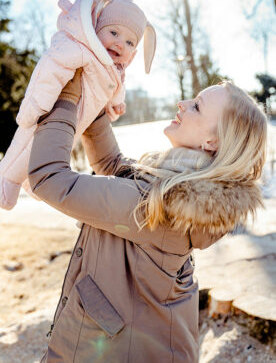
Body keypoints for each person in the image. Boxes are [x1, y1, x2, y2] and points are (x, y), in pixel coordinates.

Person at [28, 70, 267, 363]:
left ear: (212, 142)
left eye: (197, 106)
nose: (182, 103)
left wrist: (67, 98)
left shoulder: (162, 206)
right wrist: (95, 105)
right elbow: (114, 166)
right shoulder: (178, 187)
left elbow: (49, 178)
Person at [0, 0, 156, 210]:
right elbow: (49, 69)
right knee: (27, 143)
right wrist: (36, 105)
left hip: (75, 121)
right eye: (113, 32)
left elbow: (114, 86)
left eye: (129, 42)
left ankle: (28, 182)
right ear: (96, 28)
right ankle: (5, 180)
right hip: (51, 110)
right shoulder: (79, 48)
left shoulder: (113, 68)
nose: (120, 43)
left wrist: (114, 103)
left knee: (51, 153)